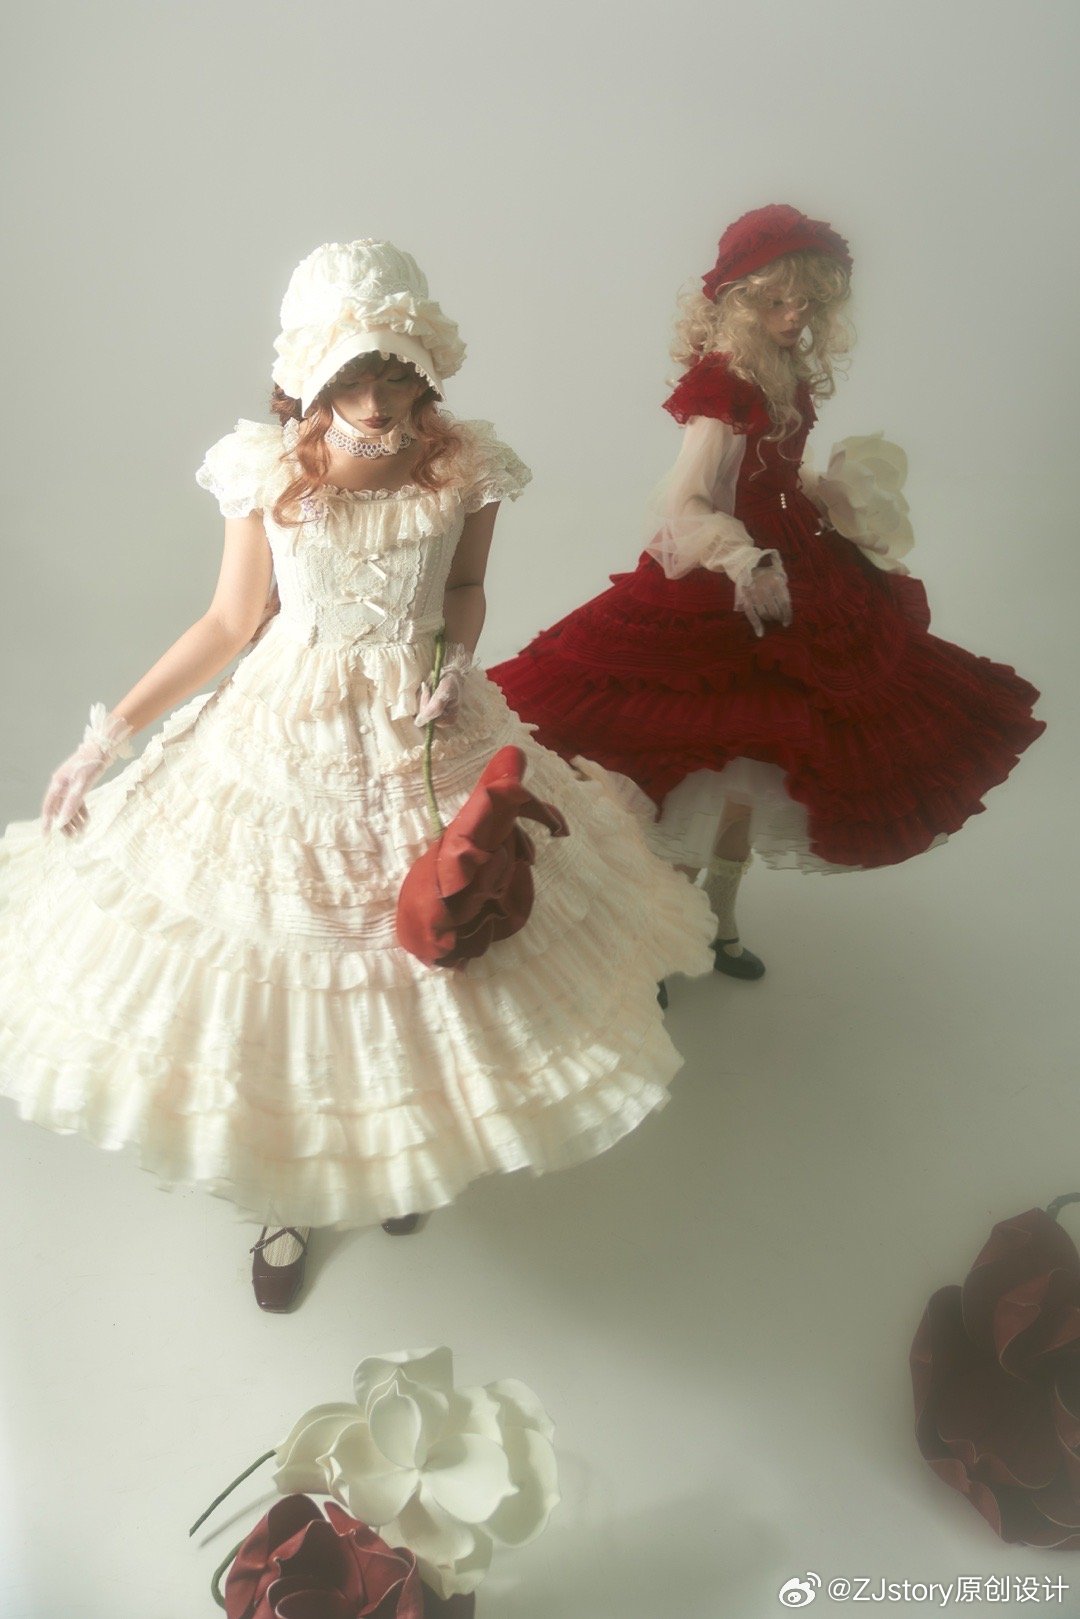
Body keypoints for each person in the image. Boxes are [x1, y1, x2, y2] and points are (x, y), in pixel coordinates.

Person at [0, 239, 713, 1311]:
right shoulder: (267, 467)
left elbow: (464, 588)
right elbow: (231, 622)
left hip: (424, 718)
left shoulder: (468, 465)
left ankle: (400, 1154)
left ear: (425, 365)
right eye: (350, 376)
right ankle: (289, 1192)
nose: (376, 400)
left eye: (393, 373)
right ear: (311, 373)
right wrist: (112, 735)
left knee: (432, 951)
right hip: (292, 721)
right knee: (294, 959)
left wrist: (454, 660)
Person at [491, 205, 1044, 981]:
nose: (795, 317)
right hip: (722, 583)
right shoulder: (723, 383)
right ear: (740, 301)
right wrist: (742, 557)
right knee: (695, 776)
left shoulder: (785, 371)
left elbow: (775, 474)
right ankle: (659, 940)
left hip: (798, 571)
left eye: (808, 302)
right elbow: (685, 501)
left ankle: (719, 924)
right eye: (778, 301)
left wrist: (829, 497)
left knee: (750, 781)